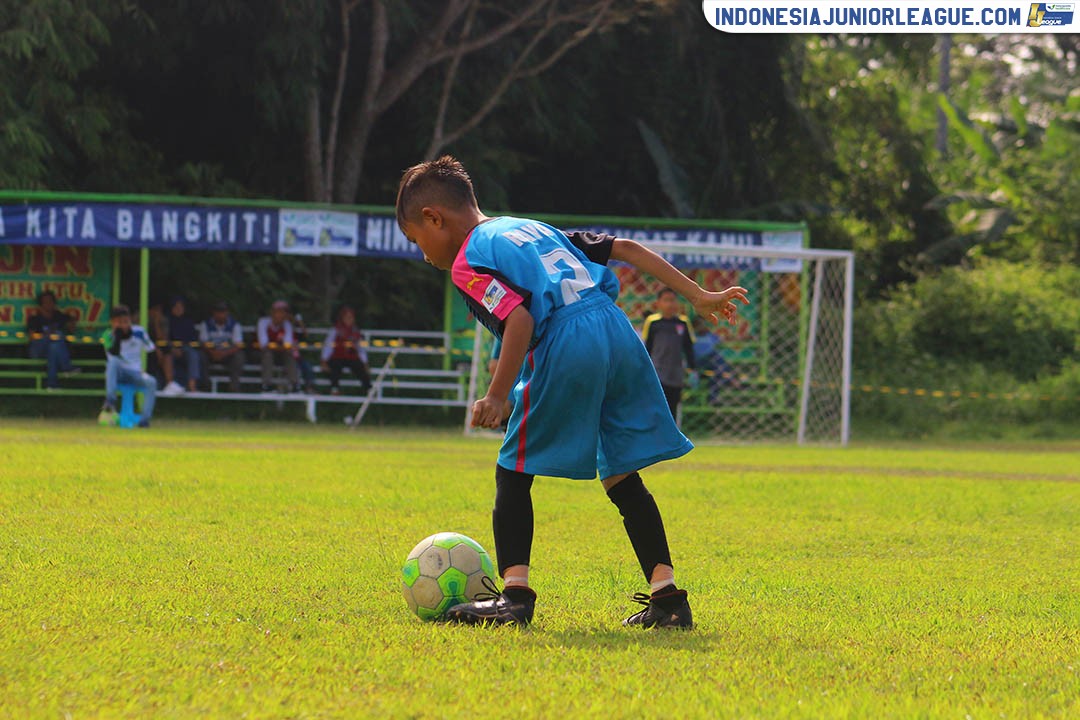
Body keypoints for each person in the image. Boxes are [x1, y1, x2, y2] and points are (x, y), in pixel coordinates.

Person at [395, 156, 748, 628]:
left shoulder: (468, 261)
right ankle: (668, 600)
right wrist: (698, 295)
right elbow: (626, 248)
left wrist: (498, 395)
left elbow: (519, 319)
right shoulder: (530, 228)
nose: (424, 254)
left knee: (513, 468)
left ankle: (514, 597)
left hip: (566, 337)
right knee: (621, 472)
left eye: (419, 240)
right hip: (616, 331)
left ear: (434, 218)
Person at [641, 288, 696, 422]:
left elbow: (688, 348)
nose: (670, 304)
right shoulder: (653, 322)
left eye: (673, 300)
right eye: (666, 300)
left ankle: (673, 438)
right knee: (656, 407)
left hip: (676, 374)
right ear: (658, 303)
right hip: (657, 373)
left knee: (673, 408)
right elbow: (647, 348)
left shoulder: (683, 323)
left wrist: (693, 370)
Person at [101, 304, 156, 428]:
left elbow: (151, 350)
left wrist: (145, 372)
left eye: (126, 322)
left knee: (152, 382)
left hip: (135, 372)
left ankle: (144, 420)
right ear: (112, 323)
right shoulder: (107, 336)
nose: (124, 326)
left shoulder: (139, 332)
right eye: (119, 322)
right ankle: (110, 400)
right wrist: (118, 337)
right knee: (113, 362)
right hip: (117, 373)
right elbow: (112, 356)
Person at [26, 290, 78, 390]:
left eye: (51, 301)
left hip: (53, 351)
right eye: (46, 302)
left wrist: (72, 322)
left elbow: (72, 327)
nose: (49, 304)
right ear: (41, 304)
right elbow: (31, 337)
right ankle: (66, 367)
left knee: (53, 348)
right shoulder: (34, 319)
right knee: (56, 336)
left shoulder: (59, 316)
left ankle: (52, 385)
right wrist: (48, 336)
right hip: (38, 349)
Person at [320, 305, 372, 395]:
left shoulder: (356, 331)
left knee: (360, 367)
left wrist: (365, 363)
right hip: (338, 356)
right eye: (347, 317)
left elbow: (360, 349)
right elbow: (328, 346)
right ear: (342, 318)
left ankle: (369, 389)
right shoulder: (335, 330)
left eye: (351, 317)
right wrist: (323, 361)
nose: (350, 320)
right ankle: (334, 389)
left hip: (351, 356)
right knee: (335, 367)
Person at [199, 301, 245, 393]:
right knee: (200, 356)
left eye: (223, 312)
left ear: (227, 313)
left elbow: (238, 345)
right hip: (211, 353)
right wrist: (213, 352)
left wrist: (224, 353)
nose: (220, 315)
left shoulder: (234, 325)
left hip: (228, 354)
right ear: (213, 313)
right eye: (218, 312)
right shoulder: (206, 324)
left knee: (239, 356)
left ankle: (234, 387)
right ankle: (205, 385)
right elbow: (203, 343)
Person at [160, 296, 201, 396]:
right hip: (170, 349)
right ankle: (170, 385)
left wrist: (184, 347)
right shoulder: (167, 321)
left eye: (181, 307)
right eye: (176, 307)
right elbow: (164, 339)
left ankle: (192, 385)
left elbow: (194, 340)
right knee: (167, 356)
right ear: (172, 308)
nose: (179, 309)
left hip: (187, 349)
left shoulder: (188, 321)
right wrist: (173, 348)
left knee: (193, 354)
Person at [257, 300, 299, 393]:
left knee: (289, 354)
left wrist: (282, 347)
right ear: (272, 312)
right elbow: (264, 343)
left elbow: (288, 344)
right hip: (263, 354)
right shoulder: (263, 322)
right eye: (279, 311)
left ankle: (295, 385)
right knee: (267, 354)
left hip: (280, 354)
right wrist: (281, 347)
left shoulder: (287, 325)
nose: (281, 315)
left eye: (284, 312)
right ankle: (266, 386)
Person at [290, 311, 318, 394]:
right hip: (287, 358)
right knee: (294, 367)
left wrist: (300, 322)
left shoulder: (295, 333)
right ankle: (296, 388)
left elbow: (306, 335)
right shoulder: (282, 331)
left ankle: (310, 388)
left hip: (297, 358)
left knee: (307, 366)